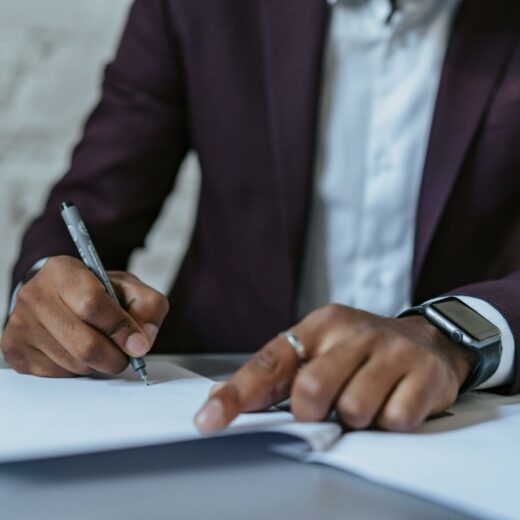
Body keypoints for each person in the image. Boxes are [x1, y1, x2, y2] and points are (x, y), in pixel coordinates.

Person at [2, 0, 519, 434]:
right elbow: (91, 206)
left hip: (462, 422)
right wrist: (51, 290)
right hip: (215, 416)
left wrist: (451, 336)